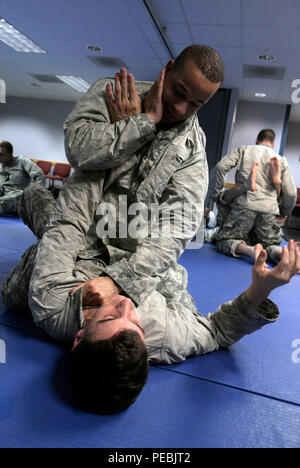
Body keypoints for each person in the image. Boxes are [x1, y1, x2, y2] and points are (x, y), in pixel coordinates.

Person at [2, 46, 299, 415]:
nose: (127, 306)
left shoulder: (50, 300)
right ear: (168, 69)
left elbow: (76, 213)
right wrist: (261, 289)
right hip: (129, 246)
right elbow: (218, 332)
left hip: (79, 240)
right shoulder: (158, 334)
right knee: (171, 281)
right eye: (179, 93)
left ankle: (23, 203)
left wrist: (129, 128)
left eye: (196, 105)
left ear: (78, 337)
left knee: (20, 271)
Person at [206, 129, 297, 263]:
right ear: (273, 144)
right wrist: (283, 212)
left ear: (257, 140)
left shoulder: (244, 150)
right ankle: (281, 253)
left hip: (244, 206)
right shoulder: (280, 159)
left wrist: (215, 195)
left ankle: (249, 250)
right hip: (269, 210)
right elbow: (291, 194)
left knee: (224, 240)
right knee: (270, 244)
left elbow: (220, 167)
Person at [0, 141, 45, 214]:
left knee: (3, 201)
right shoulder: (1, 164)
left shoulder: (22, 161)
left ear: (10, 154)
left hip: (17, 195)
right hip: (3, 193)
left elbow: (39, 175)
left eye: (1, 154)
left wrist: (34, 195)